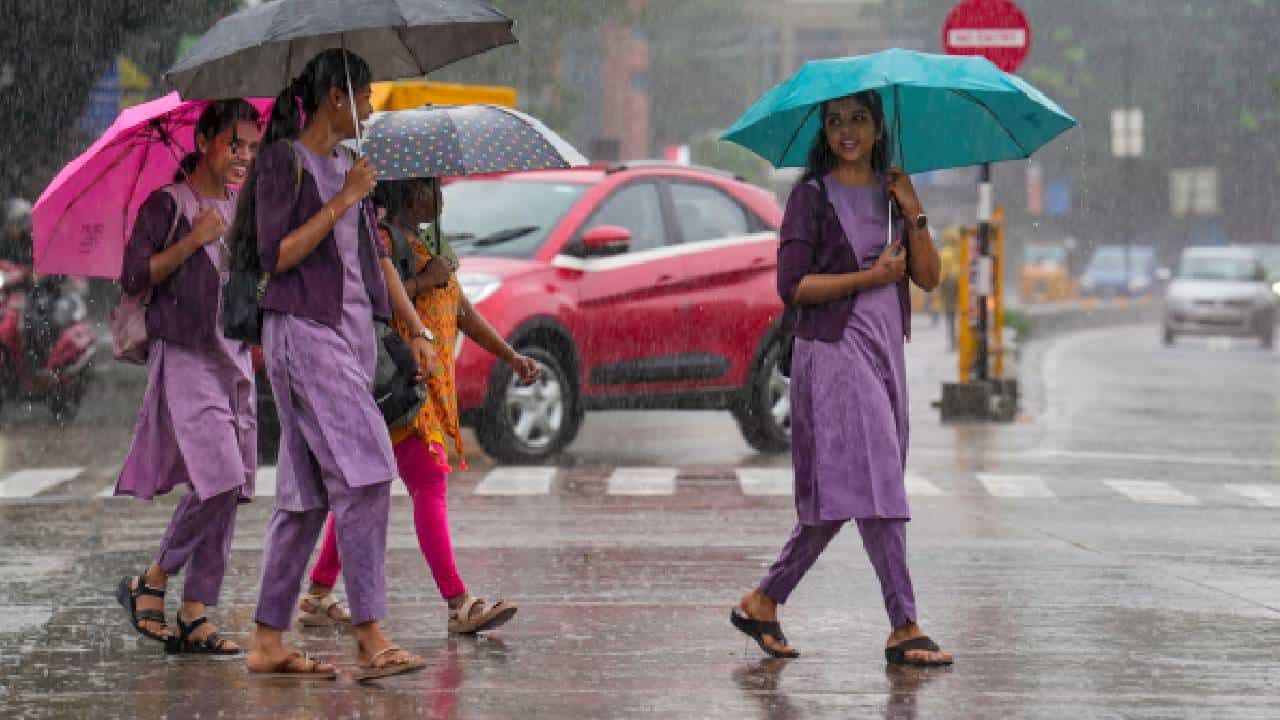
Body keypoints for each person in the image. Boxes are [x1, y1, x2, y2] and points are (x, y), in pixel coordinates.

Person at [730, 91, 954, 667]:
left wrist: (915, 210)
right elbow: (793, 288)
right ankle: (904, 624)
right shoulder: (809, 197)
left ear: (879, 128)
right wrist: (866, 275)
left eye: (858, 119)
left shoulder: (892, 194)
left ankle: (764, 600)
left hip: (885, 357)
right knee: (879, 485)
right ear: (823, 132)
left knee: (840, 497)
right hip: (832, 354)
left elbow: (928, 278)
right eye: (835, 121)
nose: (846, 130)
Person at [242, 48, 438, 680]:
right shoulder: (284, 162)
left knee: (304, 500)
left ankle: (267, 641)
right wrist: (343, 199)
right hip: (305, 334)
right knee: (368, 473)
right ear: (335, 97)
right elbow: (277, 256)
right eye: (366, 94)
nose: (372, 106)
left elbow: (370, 265)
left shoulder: (351, 165)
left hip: (349, 342)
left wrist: (408, 329)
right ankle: (370, 635)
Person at [299, 176, 539, 634]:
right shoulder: (383, 240)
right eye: (430, 189)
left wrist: (511, 356)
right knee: (428, 486)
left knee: (363, 491)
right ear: (408, 193)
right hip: (403, 384)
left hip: (425, 388)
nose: (439, 198)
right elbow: (372, 302)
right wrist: (422, 280)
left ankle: (317, 592)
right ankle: (458, 602)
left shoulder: (431, 246)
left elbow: (462, 313)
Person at [113, 99, 262, 655]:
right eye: (234, 145)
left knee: (229, 488)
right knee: (219, 477)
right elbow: (133, 276)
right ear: (203, 143)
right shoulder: (167, 206)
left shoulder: (242, 207)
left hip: (235, 358)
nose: (243, 156)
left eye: (250, 146)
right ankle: (153, 579)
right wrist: (193, 240)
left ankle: (196, 611)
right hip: (186, 356)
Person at [938, 227, 961, 352]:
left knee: (950, 314)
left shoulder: (945, 252)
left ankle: (952, 341)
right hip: (960, 283)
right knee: (960, 314)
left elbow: (943, 272)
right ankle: (958, 340)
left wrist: (938, 285)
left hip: (948, 284)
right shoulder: (960, 251)